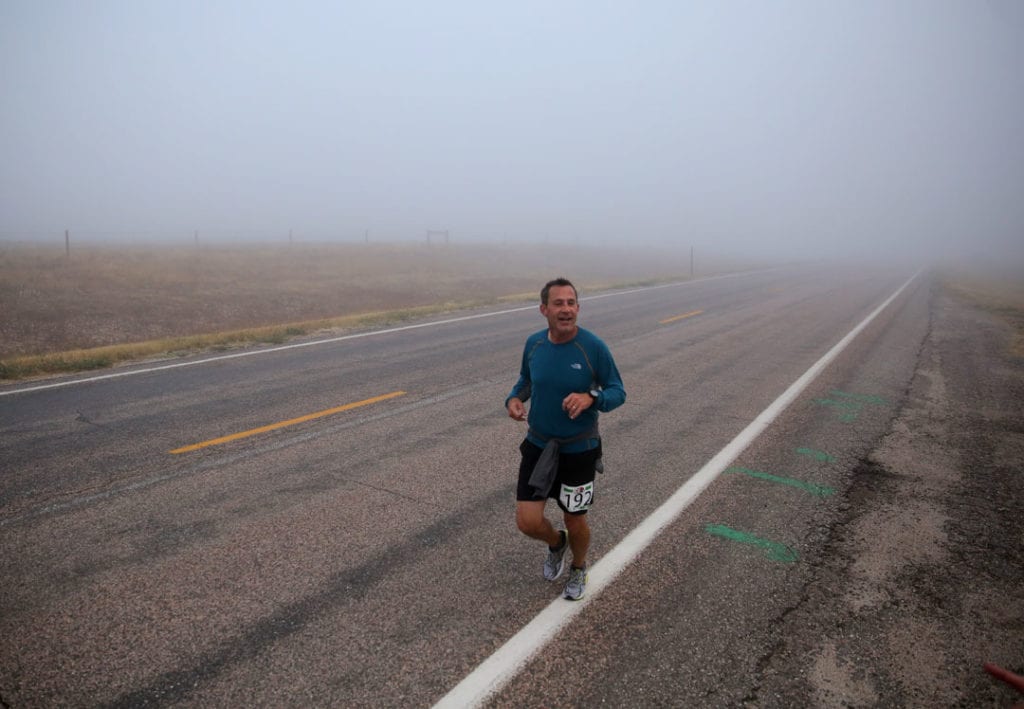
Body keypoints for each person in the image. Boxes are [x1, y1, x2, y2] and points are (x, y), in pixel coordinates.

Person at [505, 277, 626, 601]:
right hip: (539, 445)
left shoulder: (593, 347)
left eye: (571, 303)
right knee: (528, 522)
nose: (566, 309)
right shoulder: (534, 344)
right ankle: (556, 544)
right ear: (544, 309)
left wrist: (591, 397)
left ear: (578, 308)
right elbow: (525, 381)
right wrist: (513, 400)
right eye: (558, 303)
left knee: (575, 519)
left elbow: (617, 391)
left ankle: (579, 565)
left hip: (579, 451)